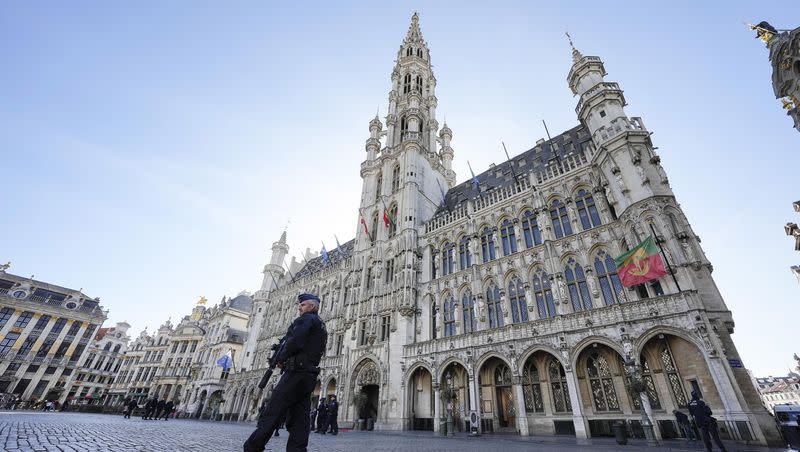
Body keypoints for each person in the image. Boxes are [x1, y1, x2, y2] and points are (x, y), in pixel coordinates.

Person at [243, 293, 327, 452]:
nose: (299, 307)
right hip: (309, 376)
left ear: (311, 306)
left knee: (273, 411)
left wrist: (281, 357)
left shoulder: (306, 319)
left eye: (302, 305)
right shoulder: (321, 324)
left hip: (295, 372)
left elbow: (294, 341)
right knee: (300, 419)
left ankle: (252, 448)